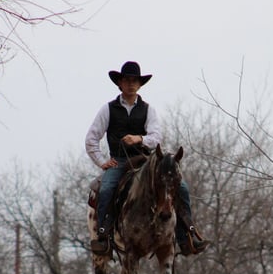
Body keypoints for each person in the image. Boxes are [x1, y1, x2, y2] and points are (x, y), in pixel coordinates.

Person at [85, 60, 210, 256]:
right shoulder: (107, 109)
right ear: (120, 83)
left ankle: (187, 236)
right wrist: (102, 161)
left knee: (181, 188)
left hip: (145, 161)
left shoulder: (148, 109)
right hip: (119, 161)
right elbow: (91, 139)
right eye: (127, 80)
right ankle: (103, 235)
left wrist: (139, 138)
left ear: (140, 84)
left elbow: (156, 137)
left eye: (135, 81)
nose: (131, 84)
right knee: (107, 188)